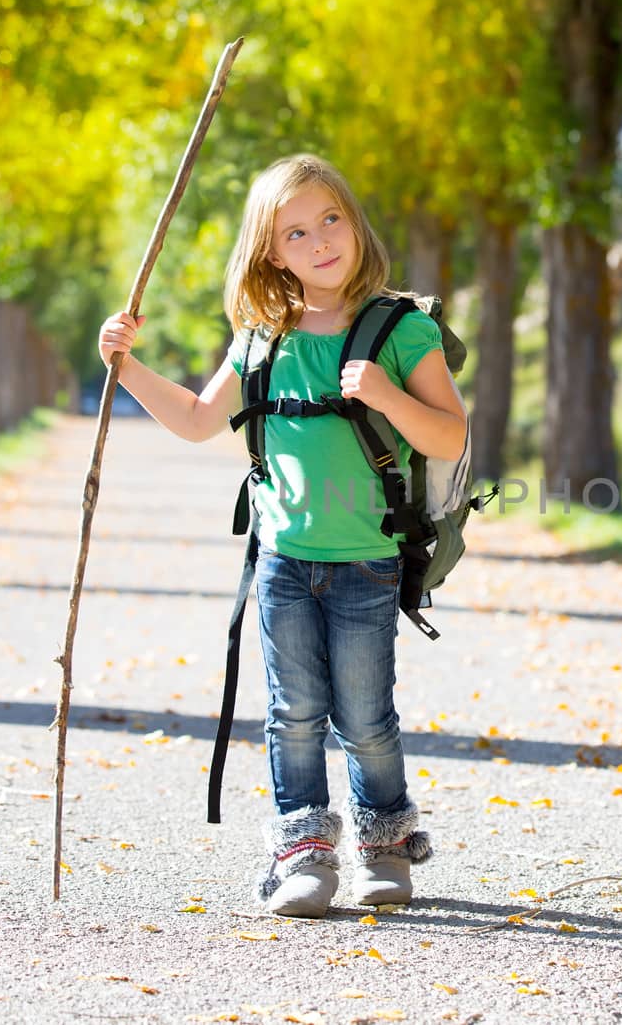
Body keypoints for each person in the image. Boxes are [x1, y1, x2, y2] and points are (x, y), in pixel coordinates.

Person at [97, 154, 467, 918]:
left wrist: (387, 393)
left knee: (366, 717)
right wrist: (126, 368)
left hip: (366, 560)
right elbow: (201, 420)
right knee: (293, 712)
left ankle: (387, 842)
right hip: (282, 562)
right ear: (270, 251)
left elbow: (451, 436)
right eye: (296, 231)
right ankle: (302, 851)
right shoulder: (261, 335)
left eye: (330, 218)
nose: (320, 240)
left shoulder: (401, 328)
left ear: (354, 222)